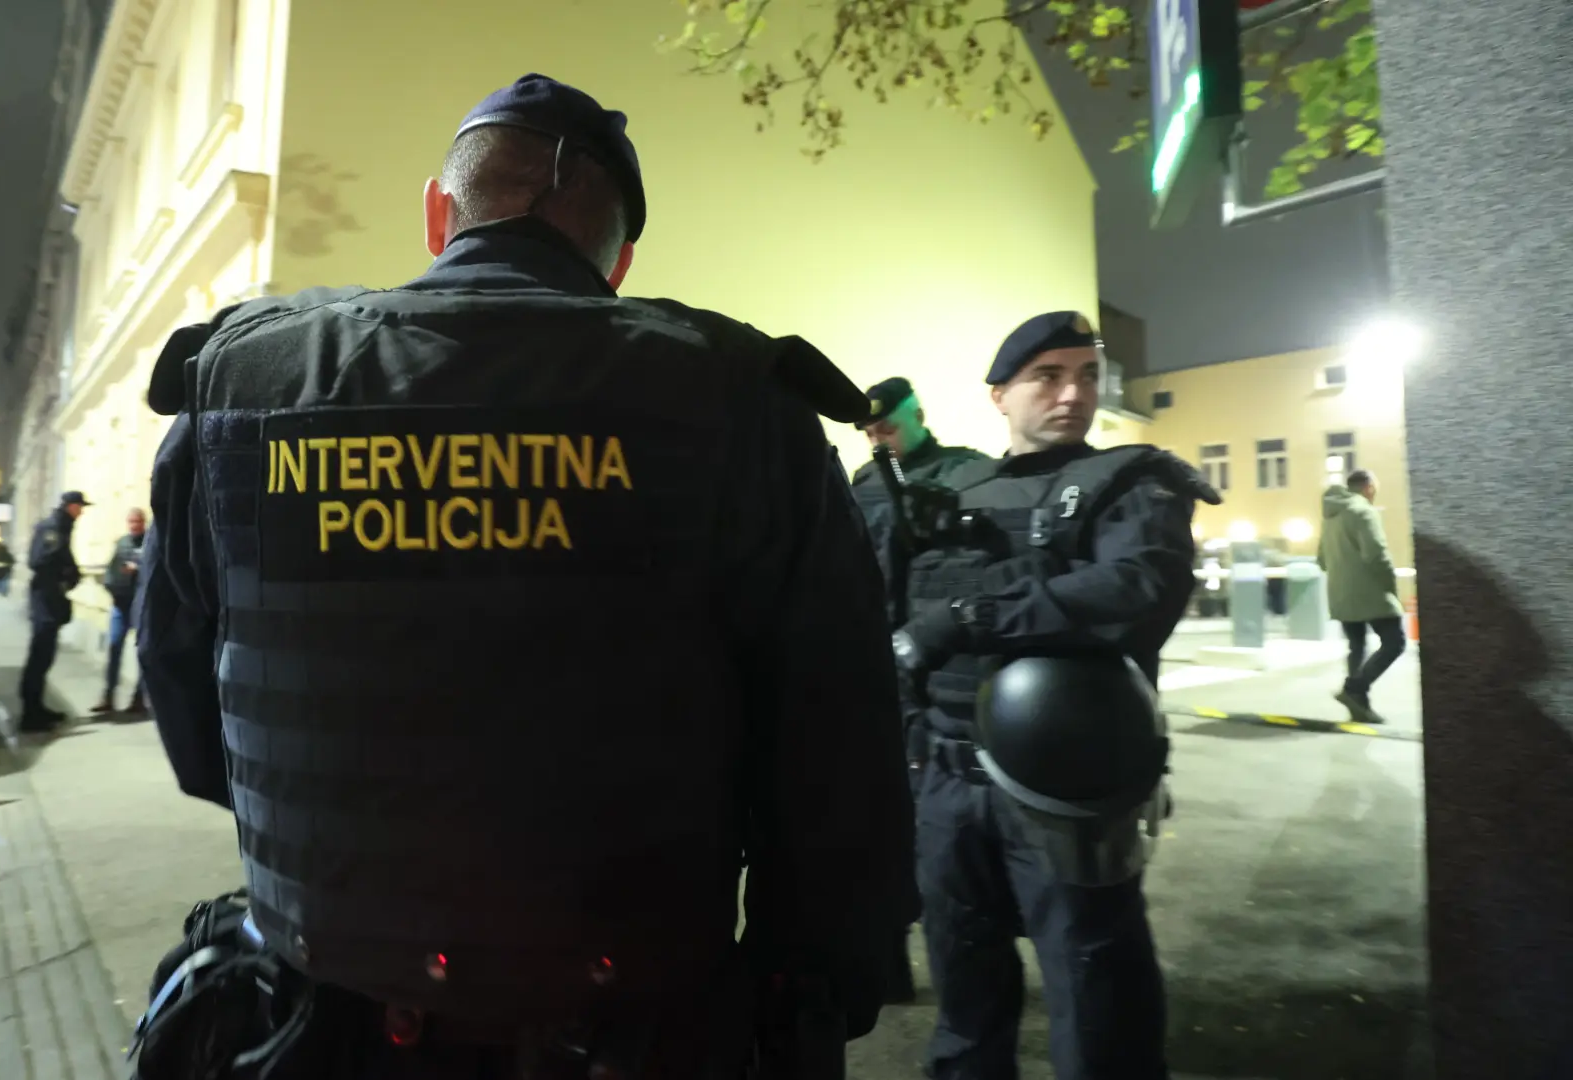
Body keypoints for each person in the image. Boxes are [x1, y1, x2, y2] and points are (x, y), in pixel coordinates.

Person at [133, 73, 915, 1079]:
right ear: (617, 261)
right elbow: (836, 752)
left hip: (327, 1017)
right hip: (635, 1023)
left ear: (438, 213)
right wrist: (811, 990)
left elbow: (188, 705)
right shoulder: (741, 402)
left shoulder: (242, 384)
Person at [892, 311, 1219, 1080]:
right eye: (1047, 377)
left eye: (1086, 376)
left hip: (1065, 785)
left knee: (1094, 987)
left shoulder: (1131, 483)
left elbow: (1135, 587)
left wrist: (971, 618)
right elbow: (898, 615)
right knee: (962, 978)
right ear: (1000, 395)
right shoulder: (952, 491)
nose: (1072, 394)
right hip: (944, 776)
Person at [846, 376, 990, 1006]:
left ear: (918, 415)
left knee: (937, 822)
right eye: (870, 430)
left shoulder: (966, 472)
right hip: (870, 670)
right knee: (877, 820)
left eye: (888, 425)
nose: (879, 437)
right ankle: (888, 960)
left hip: (933, 673)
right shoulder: (864, 482)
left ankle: (964, 959)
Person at [1319, 468, 1405, 723]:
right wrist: (1391, 587)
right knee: (1394, 643)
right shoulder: (1363, 511)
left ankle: (1360, 708)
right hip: (1371, 593)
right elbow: (1376, 555)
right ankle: (1354, 689)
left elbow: (1321, 560)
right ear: (1369, 488)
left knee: (1356, 646)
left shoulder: (1330, 516)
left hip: (1341, 594)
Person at [20, 491, 87, 732]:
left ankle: (37, 708)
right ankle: (30, 715)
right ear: (70, 506)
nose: (81, 511)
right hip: (44, 601)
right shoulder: (52, 527)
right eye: (79, 506)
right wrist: (65, 571)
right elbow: (38, 561)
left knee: (45, 657)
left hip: (51, 600)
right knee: (39, 657)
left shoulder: (62, 526)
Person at [94, 507, 148, 716]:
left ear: (143, 523)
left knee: (143, 652)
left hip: (141, 606)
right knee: (114, 647)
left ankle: (139, 699)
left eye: (138, 522)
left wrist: (138, 569)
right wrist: (111, 589)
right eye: (131, 522)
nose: (134, 525)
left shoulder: (150, 543)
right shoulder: (122, 543)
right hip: (120, 605)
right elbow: (111, 570)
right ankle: (108, 696)